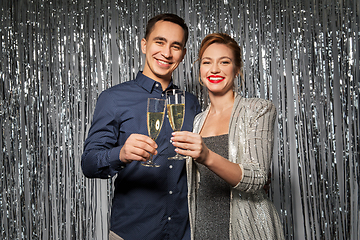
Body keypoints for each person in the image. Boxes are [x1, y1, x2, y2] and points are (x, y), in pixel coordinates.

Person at [81, 13, 201, 240]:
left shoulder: (191, 102)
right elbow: (88, 163)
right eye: (160, 42)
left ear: (183, 54)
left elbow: (204, 157)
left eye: (176, 46)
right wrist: (121, 153)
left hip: (183, 232)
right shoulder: (113, 98)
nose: (166, 53)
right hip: (133, 232)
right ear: (144, 45)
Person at [171, 33, 285, 239]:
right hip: (204, 229)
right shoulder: (197, 121)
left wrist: (207, 156)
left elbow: (258, 178)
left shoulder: (258, 109)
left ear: (237, 69)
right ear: (200, 71)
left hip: (248, 230)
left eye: (224, 62)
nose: (214, 69)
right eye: (207, 62)